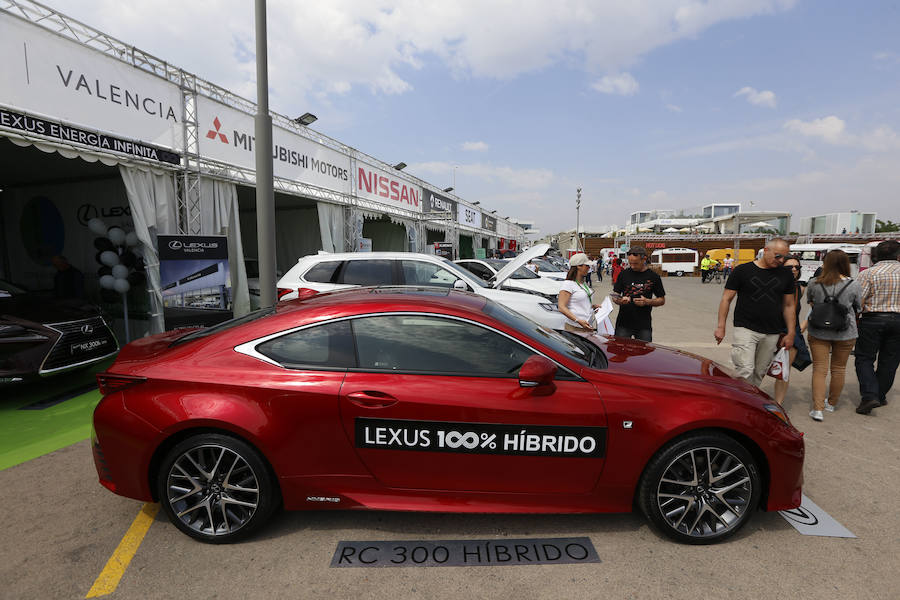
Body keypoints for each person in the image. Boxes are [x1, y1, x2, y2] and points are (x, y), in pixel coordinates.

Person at [714, 238, 796, 387]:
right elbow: (726, 299)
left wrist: (791, 333)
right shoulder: (742, 271)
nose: (781, 260)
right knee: (745, 370)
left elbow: (789, 305)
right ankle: (738, 405)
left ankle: (750, 404)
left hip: (772, 331)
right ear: (765, 251)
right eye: (778, 256)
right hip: (745, 328)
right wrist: (721, 326)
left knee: (759, 372)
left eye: (785, 257)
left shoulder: (786, 275)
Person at [805, 250, 861, 421]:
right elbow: (858, 308)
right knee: (839, 369)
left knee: (819, 370)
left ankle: (818, 409)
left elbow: (811, 302)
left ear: (826, 263)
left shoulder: (814, 283)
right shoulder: (853, 284)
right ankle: (831, 403)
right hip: (845, 331)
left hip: (818, 330)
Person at [854, 240, 900, 414]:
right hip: (898, 321)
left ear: (876, 255)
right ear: (898, 256)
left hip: (872, 319)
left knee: (864, 358)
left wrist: (856, 318)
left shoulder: (868, 274)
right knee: (890, 361)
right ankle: (879, 395)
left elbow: (858, 301)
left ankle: (869, 395)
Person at [773, 254, 812, 406]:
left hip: (790, 332)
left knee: (784, 372)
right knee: (761, 368)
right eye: (790, 267)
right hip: (770, 330)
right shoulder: (773, 285)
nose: (794, 269)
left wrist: (804, 324)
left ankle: (778, 405)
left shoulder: (799, 288)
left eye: (797, 267)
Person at [612, 246, 665, 341]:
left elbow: (661, 300)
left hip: (643, 325)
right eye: (630, 263)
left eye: (635, 263)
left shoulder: (653, 277)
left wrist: (647, 302)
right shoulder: (623, 274)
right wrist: (619, 300)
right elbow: (615, 295)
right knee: (620, 353)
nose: (632, 266)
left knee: (643, 354)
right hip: (623, 323)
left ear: (644, 259)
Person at [557, 253, 600, 333]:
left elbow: (581, 302)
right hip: (575, 328)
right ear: (579, 266)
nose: (589, 268)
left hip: (587, 326)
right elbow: (561, 307)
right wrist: (577, 320)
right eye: (586, 266)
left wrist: (593, 306)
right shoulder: (568, 284)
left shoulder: (583, 284)